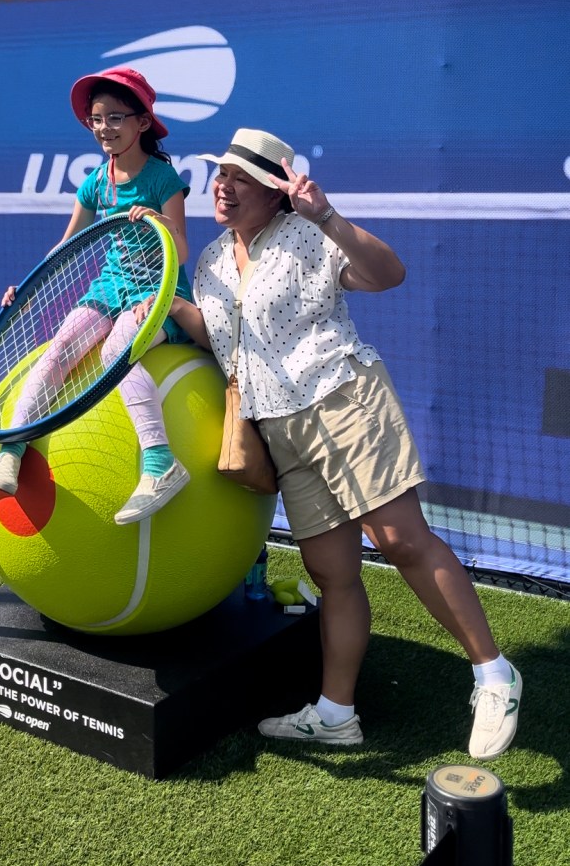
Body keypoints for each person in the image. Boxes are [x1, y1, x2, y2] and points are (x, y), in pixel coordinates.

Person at [166, 128, 522, 759]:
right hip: (277, 428)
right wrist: (162, 300)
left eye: (240, 178)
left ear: (275, 192)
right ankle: (336, 714)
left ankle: (494, 673)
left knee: (400, 540)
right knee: (332, 574)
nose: (223, 185)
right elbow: (223, 339)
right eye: (221, 175)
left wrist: (326, 213)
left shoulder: (308, 232)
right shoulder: (214, 260)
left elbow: (390, 274)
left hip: (342, 399)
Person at [0, 67, 194, 526]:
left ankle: (160, 464)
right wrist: (28, 285)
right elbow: (65, 247)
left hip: (158, 292)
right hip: (108, 287)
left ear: (142, 123)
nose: (104, 128)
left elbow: (180, 249)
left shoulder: (163, 179)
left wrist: (158, 223)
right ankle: (12, 448)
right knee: (60, 347)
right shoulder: (96, 182)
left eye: (116, 118)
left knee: (118, 348)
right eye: (96, 120)